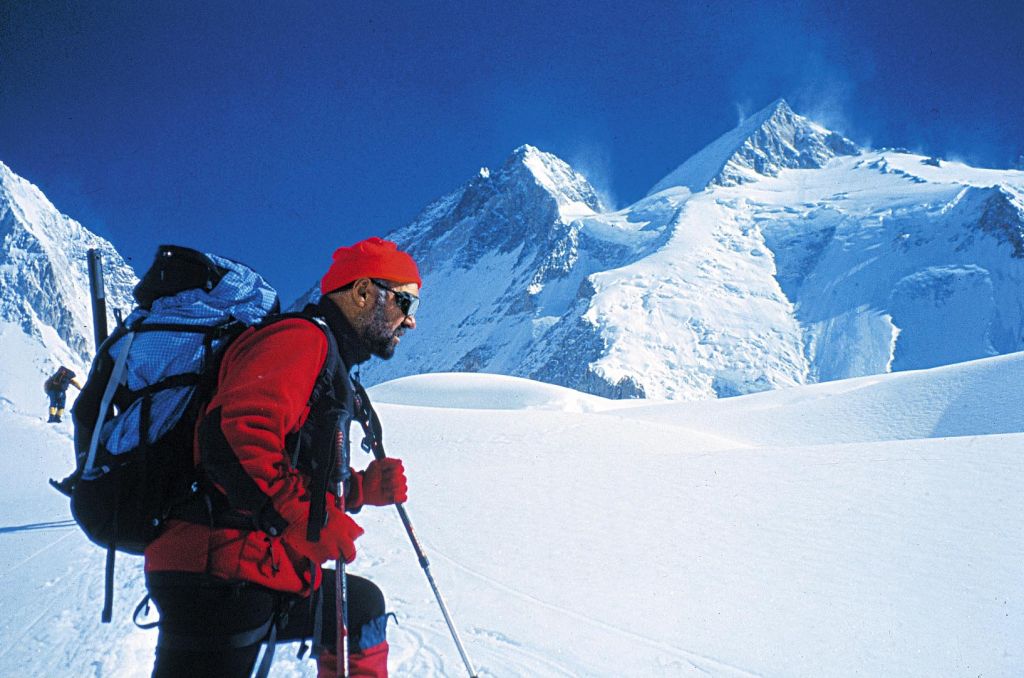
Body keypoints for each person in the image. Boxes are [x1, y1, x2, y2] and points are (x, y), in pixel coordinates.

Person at [144, 237, 420, 677]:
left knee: (361, 607)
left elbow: (292, 463)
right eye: (406, 301)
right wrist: (299, 519)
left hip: (256, 563)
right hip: (217, 568)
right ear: (364, 292)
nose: (411, 322)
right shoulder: (299, 340)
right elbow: (234, 437)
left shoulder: (325, 355)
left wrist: (360, 489)